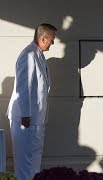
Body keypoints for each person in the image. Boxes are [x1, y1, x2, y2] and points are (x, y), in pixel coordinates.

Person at [7, 23, 57, 179]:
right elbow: (23, 87)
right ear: (43, 38)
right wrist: (25, 115)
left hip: (37, 120)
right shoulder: (28, 55)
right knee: (24, 164)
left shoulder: (39, 55)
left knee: (34, 164)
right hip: (26, 120)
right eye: (52, 39)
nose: (53, 43)